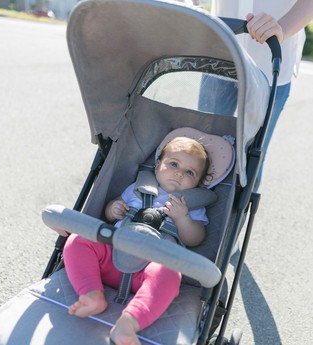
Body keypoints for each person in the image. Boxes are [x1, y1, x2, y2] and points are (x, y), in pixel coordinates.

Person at [63, 136, 210, 345]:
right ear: (158, 165)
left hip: (147, 272)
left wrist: (183, 218)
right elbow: (111, 211)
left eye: (189, 172)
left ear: (198, 183)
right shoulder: (137, 189)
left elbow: (195, 239)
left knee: (169, 274)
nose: (179, 173)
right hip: (110, 258)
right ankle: (92, 294)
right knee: (78, 239)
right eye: (174, 164)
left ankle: (128, 323)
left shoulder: (192, 206)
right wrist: (113, 209)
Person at [210, 0, 313, 188]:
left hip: (271, 60)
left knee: (252, 158)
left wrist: (281, 28)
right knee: (204, 144)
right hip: (218, 51)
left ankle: (239, 215)